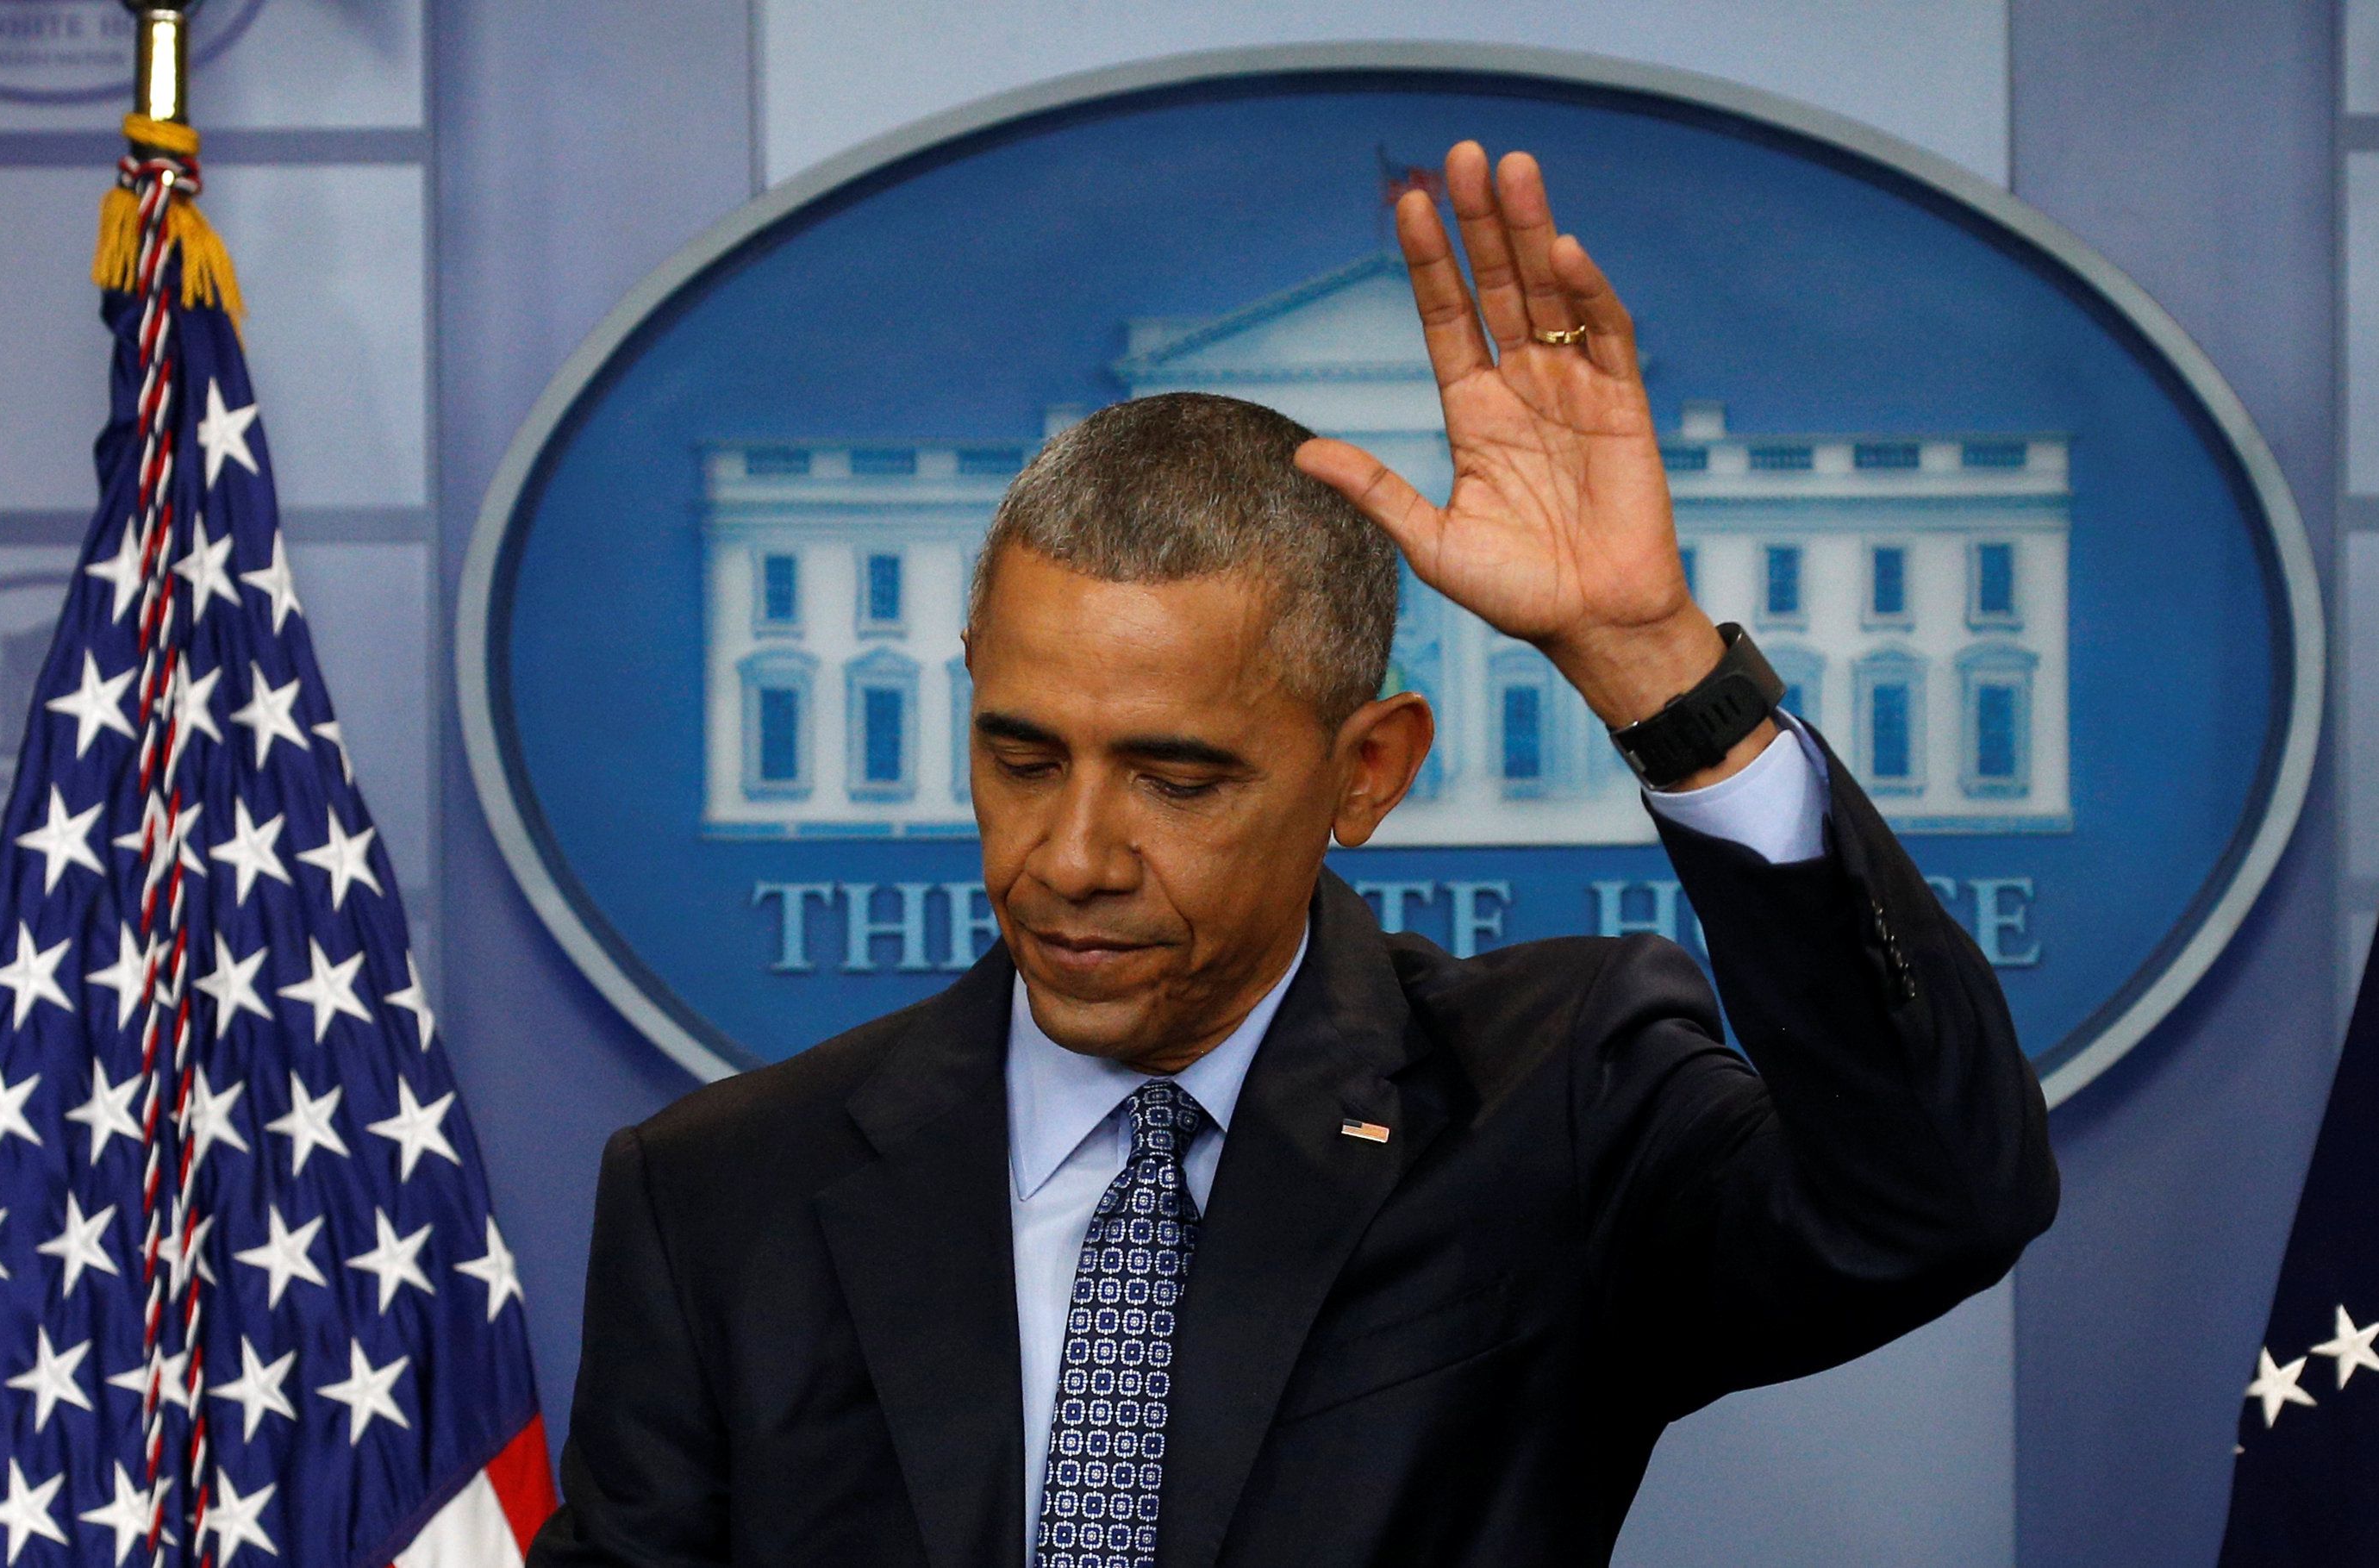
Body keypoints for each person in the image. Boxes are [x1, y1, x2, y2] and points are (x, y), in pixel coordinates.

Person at [528, 141, 2057, 1568]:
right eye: (1021, 757)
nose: (1069, 858)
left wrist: (1654, 660)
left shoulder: (1553, 1106)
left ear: (1367, 771)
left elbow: (1930, 1204)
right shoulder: (719, 1192)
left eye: (1175, 779)